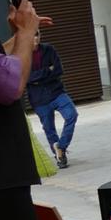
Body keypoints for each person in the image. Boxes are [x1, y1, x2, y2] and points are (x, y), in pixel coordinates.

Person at [26, 33, 77, 168]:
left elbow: (58, 70)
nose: (35, 38)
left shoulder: (49, 49)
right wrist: (47, 71)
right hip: (39, 99)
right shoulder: (22, 55)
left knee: (72, 114)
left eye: (37, 34)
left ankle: (61, 146)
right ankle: (60, 157)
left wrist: (38, 79)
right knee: (49, 129)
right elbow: (25, 77)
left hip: (56, 92)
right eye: (32, 35)